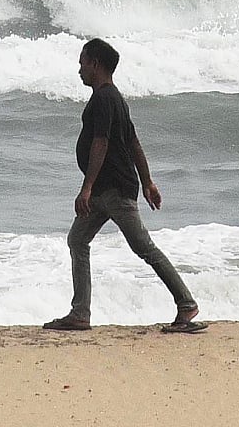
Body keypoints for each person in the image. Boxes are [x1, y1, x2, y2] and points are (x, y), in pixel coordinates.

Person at [43, 38, 204, 333]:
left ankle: (186, 304)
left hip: (113, 190)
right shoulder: (114, 98)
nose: (79, 69)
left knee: (144, 247)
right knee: (77, 240)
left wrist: (87, 187)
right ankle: (80, 314)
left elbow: (101, 143)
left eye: (82, 63)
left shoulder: (105, 99)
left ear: (95, 64)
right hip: (107, 190)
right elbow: (133, 142)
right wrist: (148, 182)